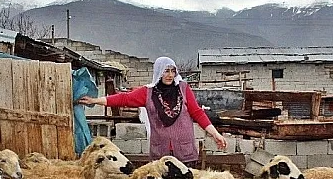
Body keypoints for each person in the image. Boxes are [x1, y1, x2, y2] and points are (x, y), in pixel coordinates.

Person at [78, 56, 227, 166]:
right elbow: (124, 99)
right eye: (165, 71)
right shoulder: (148, 93)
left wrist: (215, 134)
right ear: (158, 72)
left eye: (172, 71)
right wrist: (95, 101)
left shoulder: (183, 89)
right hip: (160, 154)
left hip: (185, 153)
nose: (169, 75)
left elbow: (197, 113)